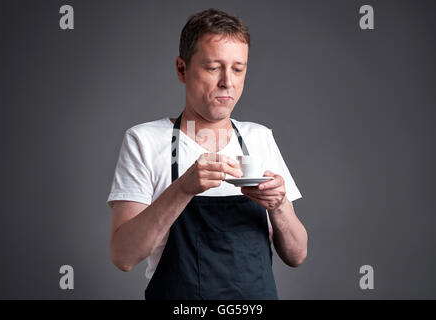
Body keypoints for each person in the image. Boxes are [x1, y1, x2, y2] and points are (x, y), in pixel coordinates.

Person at [107, 8, 308, 300]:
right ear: (182, 68)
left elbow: (297, 255)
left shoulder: (259, 138)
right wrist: (183, 188)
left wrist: (279, 206)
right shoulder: (144, 140)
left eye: (238, 69)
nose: (227, 81)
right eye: (214, 67)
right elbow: (123, 256)